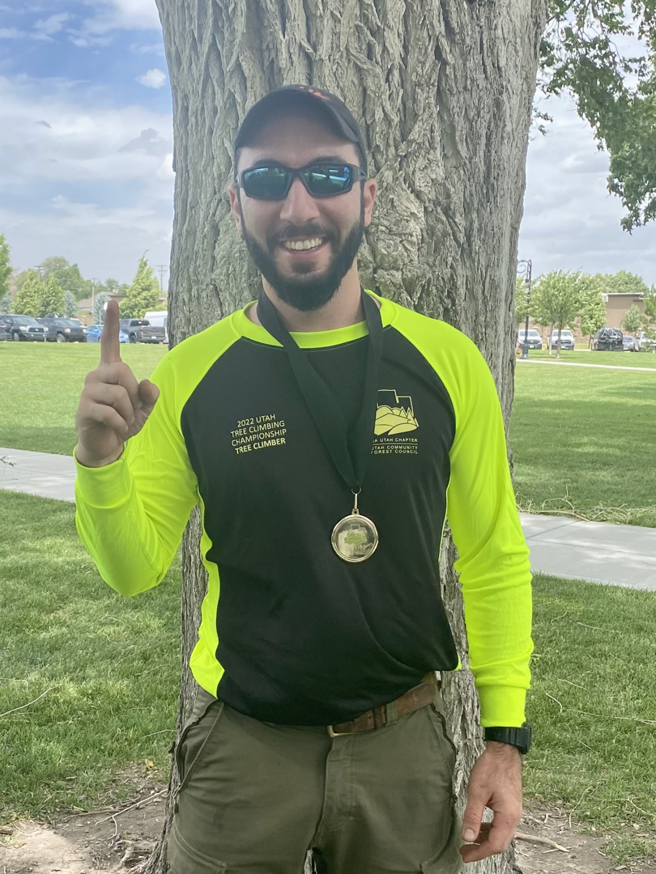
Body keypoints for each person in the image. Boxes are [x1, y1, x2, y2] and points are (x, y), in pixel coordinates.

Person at [74, 84, 533, 874]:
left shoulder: (447, 362)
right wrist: (101, 463)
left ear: (367, 196)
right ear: (235, 204)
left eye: (326, 175)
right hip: (243, 753)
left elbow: (493, 553)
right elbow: (132, 568)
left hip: (404, 749)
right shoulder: (189, 375)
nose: (297, 205)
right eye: (266, 179)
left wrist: (505, 737)